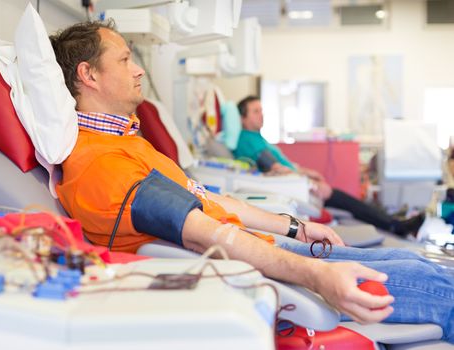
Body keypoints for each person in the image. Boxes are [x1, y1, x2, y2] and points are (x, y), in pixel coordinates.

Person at [50, 21, 454, 342]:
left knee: (421, 264)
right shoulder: (103, 166)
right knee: (441, 291)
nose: (138, 68)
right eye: (124, 60)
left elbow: (211, 200)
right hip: (267, 270)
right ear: (89, 74)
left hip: (271, 249)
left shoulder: (127, 142)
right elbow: (209, 234)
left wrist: (298, 227)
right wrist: (316, 276)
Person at [234, 95, 425, 237]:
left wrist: (308, 173)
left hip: (298, 181)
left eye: (262, 110)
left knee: (351, 203)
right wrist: (309, 181)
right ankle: (394, 225)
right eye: (256, 111)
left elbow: (284, 165)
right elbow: (276, 168)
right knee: (350, 203)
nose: (262, 115)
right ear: (243, 118)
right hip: (295, 185)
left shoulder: (258, 138)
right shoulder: (247, 141)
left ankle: (392, 222)